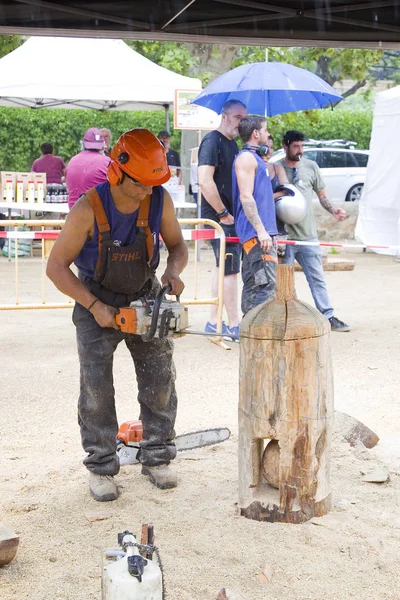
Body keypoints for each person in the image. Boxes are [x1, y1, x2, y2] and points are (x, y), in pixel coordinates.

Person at [47, 128, 188, 501]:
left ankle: (157, 456)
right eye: (140, 183)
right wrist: (95, 307)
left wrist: (173, 273)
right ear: (117, 171)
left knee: (159, 379)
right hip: (96, 297)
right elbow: (57, 267)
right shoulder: (88, 209)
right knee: (95, 388)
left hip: (145, 293)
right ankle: (101, 465)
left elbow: (177, 246)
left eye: (152, 183)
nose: (147, 190)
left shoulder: (159, 201)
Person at [277, 130, 350, 332]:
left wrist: (334, 210)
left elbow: (322, 196)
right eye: (295, 146)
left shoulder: (311, 167)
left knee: (317, 277)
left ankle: (328, 316)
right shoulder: (275, 168)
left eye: (302, 146)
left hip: (308, 235)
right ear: (285, 145)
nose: (299, 150)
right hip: (284, 236)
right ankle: (287, 319)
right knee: (284, 281)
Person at [198, 99, 247, 339]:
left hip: (227, 215)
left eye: (244, 118)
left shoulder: (233, 143)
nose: (242, 122)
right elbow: (204, 181)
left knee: (223, 267)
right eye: (239, 117)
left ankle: (213, 321)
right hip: (218, 217)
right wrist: (222, 213)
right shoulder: (212, 140)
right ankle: (233, 323)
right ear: (225, 116)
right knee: (229, 270)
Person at [232, 115, 278, 315]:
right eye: (265, 130)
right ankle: (260, 335)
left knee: (254, 286)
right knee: (265, 287)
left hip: (259, 234)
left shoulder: (256, 159)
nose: (268, 135)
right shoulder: (246, 159)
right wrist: (261, 230)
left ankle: (250, 334)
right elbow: (246, 196)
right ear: (256, 133)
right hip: (257, 235)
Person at [65, 128, 110, 209]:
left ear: (83, 144)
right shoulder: (107, 162)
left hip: (73, 213)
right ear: (103, 146)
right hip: (98, 216)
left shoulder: (72, 161)